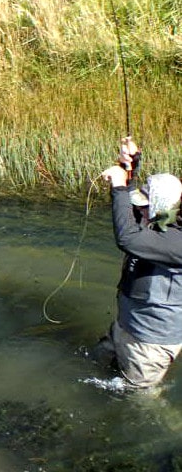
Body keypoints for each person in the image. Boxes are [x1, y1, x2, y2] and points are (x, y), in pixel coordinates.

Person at [97, 137, 182, 388]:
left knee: (137, 400)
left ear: (158, 206)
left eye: (145, 205)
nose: (139, 210)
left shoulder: (178, 242)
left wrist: (120, 188)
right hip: (126, 326)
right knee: (96, 364)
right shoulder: (162, 217)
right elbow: (129, 214)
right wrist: (129, 166)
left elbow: (127, 237)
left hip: (149, 344)